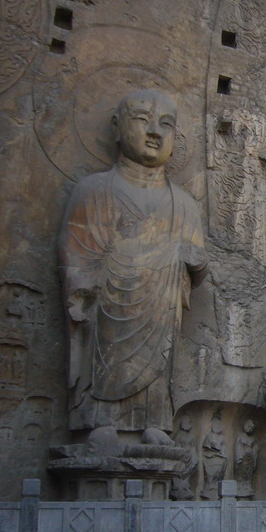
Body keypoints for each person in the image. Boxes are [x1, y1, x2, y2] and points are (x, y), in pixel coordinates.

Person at [59, 89, 208, 443]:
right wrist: (92, 279)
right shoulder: (94, 190)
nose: (154, 132)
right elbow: (75, 253)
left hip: (160, 310)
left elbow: (197, 266)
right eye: (142, 120)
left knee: (161, 358)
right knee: (106, 348)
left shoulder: (184, 205)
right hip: (110, 306)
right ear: (116, 127)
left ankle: (154, 422)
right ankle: (99, 419)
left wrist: (194, 262)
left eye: (166, 124)